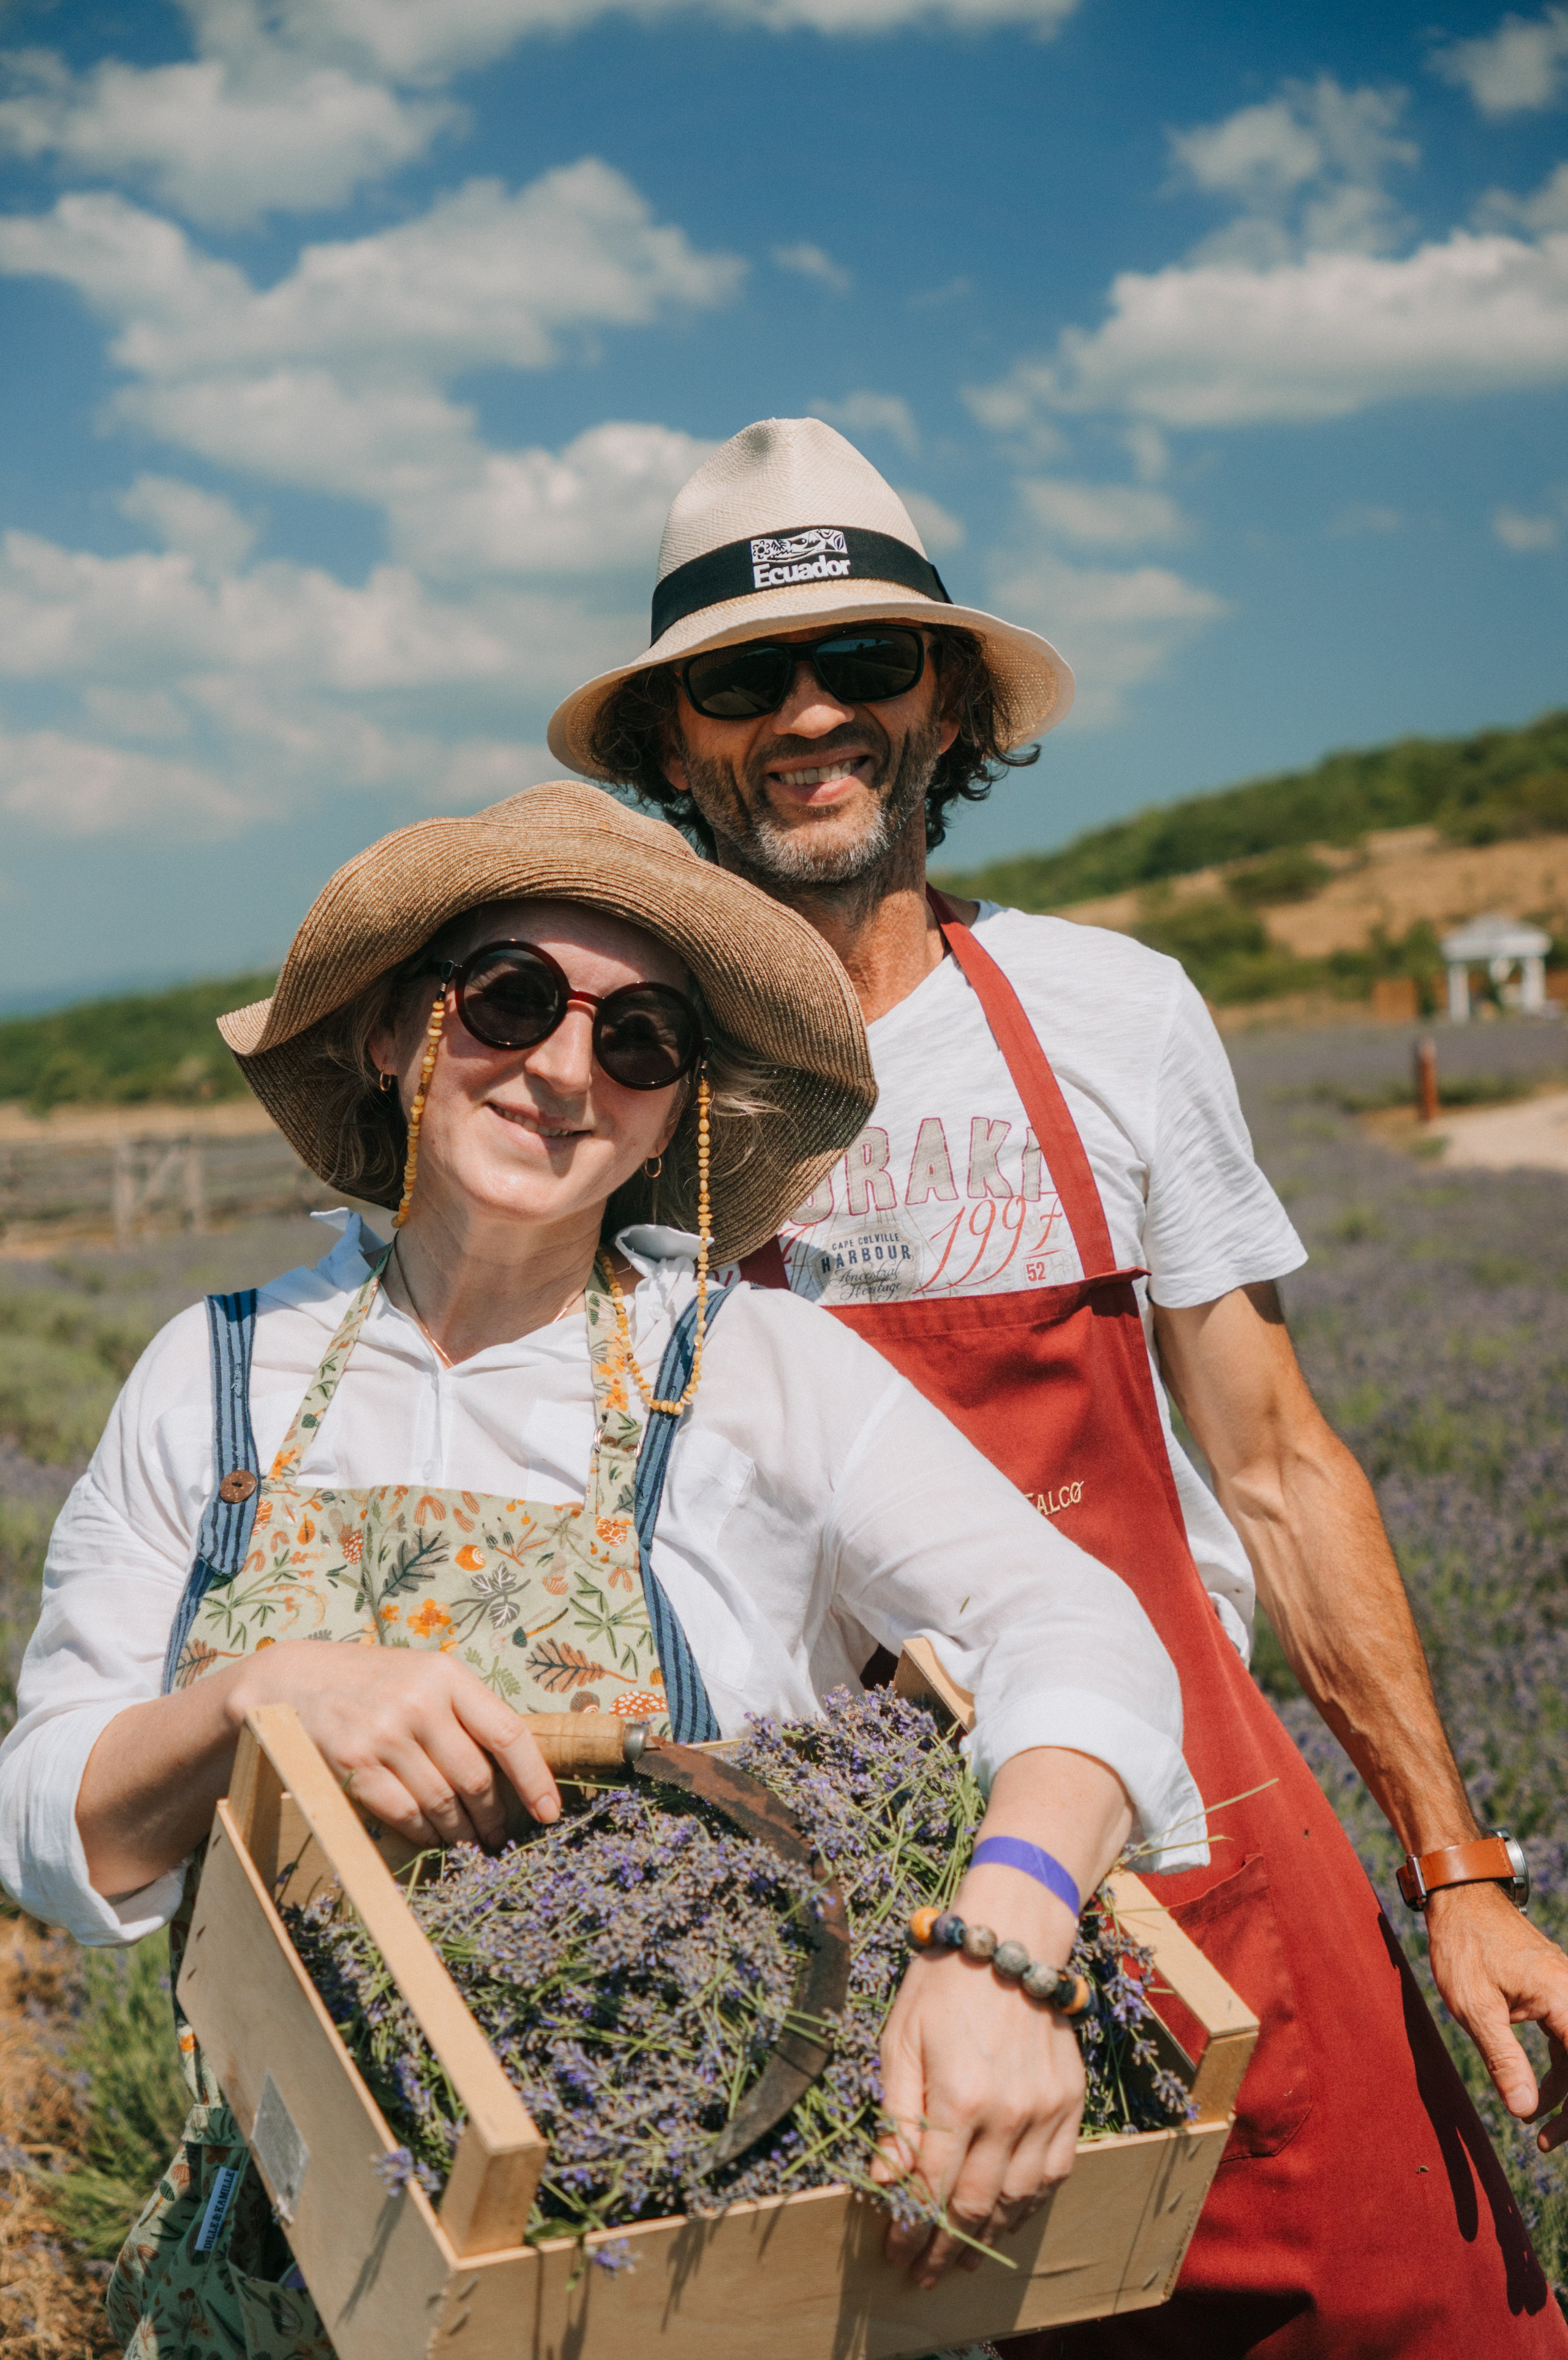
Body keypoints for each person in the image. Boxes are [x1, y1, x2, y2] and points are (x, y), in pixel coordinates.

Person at [546, 419, 1568, 2355]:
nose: (811, 714)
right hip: (843, 1928)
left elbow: (1273, 1463)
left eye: (865, 661)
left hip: (1213, 1842)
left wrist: (1457, 1866)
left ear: (945, 701)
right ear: (676, 745)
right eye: (746, 680)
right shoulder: (622, 1086)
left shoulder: (1113, 1011)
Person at [0, 779, 1205, 2360]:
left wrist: (1009, 1940)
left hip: (699, 2249)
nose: (567, 1068)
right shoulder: (212, 1373)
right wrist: (256, 1701)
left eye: (642, 1039)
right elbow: (45, 1817)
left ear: (678, 1106)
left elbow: (1077, 1623)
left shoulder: (762, 1368)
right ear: (391, 1032)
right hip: (293, 2250)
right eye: (508, 999)